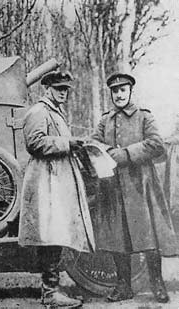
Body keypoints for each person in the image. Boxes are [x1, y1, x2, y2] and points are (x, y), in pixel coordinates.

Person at [90, 72, 179, 303]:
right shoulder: (105, 120)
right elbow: (94, 142)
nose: (119, 95)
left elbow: (156, 144)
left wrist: (127, 154)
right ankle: (123, 286)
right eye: (115, 91)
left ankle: (157, 285)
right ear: (111, 93)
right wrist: (108, 152)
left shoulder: (144, 117)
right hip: (113, 187)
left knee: (148, 237)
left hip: (140, 186)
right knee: (117, 238)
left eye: (123, 90)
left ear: (130, 92)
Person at [19, 71, 95, 307]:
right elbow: (34, 143)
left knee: (56, 234)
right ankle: (50, 293)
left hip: (55, 180)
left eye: (66, 89)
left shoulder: (54, 111)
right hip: (45, 181)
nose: (64, 92)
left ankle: (52, 290)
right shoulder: (38, 112)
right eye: (59, 88)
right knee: (50, 235)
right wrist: (67, 143)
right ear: (47, 88)